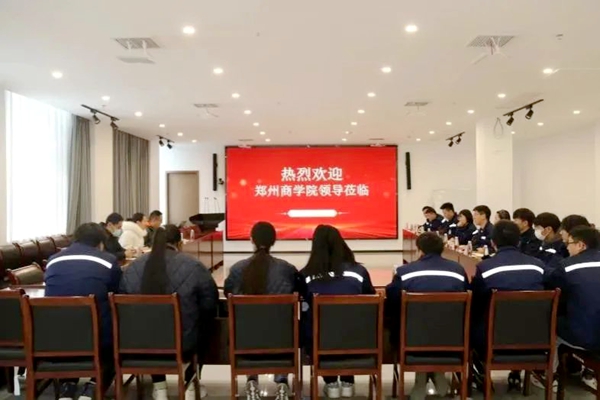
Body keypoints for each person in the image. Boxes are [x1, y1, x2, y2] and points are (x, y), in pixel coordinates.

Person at [120, 225, 218, 400]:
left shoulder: (132, 268)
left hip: (140, 343)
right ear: (179, 244)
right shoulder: (193, 266)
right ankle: (190, 382)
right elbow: (210, 302)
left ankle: (159, 387)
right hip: (183, 343)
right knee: (205, 324)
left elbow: (123, 305)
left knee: (150, 325)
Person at [224, 221, 303, 400]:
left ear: (251, 240)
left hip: (245, 341)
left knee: (249, 326)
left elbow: (228, 295)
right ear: (273, 241)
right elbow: (299, 294)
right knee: (282, 326)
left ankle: (251, 379)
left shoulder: (237, 269)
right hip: (281, 341)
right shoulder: (287, 269)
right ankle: (282, 381)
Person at [386, 233, 469, 398]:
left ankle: (422, 379)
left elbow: (392, 299)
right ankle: (436, 374)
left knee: (401, 321)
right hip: (452, 337)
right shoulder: (458, 270)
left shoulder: (405, 271)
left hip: (412, 338)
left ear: (420, 251)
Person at [44, 223, 121, 400]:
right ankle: (92, 388)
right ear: (101, 243)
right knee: (115, 346)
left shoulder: (53, 260)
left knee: (70, 334)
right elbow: (117, 295)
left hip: (53, 338)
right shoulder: (108, 261)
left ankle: (67, 388)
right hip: (95, 337)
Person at [300, 225, 375, 399]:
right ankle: (348, 381)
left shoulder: (306, 275)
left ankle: (331, 382)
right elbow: (370, 299)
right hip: (359, 341)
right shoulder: (359, 271)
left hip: (321, 342)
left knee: (311, 320)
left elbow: (304, 302)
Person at [470, 220, 546, 390]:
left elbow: (475, 301)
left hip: (493, 338)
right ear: (518, 241)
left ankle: (480, 374)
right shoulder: (539, 266)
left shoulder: (485, 267)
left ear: (493, 242)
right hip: (535, 337)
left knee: (472, 320)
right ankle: (516, 373)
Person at [545, 226, 600, 391]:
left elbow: (551, 286)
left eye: (569, 243)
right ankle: (588, 373)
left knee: (551, 323)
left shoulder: (568, 266)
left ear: (581, 245)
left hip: (585, 337)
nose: (567, 248)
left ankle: (550, 376)